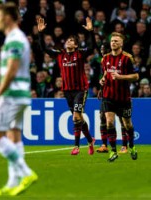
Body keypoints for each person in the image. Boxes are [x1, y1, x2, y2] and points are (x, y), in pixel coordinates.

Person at [0, 2, 38, 196]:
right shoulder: (16, 38)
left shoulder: (15, 39)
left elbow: (12, 70)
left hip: (12, 94)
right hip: (21, 93)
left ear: (8, 17)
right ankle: (12, 183)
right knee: (13, 136)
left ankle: (26, 172)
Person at [37, 17, 95, 155]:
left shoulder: (79, 53)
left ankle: (76, 146)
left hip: (80, 89)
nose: (68, 42)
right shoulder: (60, 54)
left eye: (71, 41)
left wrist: (91, 32)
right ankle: (90, 140)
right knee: (79, 117)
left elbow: (92, 47)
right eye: (67, 40)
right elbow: (44, 49)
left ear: (75, 45)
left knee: (76, 117)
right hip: (67, 91)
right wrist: (40, 33)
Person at [100, 32, 139, 162]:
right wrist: (102, 81)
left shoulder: (127, 58)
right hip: (108, 96)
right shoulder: (105, 58)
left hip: (123, 98)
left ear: (121, 43)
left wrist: (121, 77)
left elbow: (135, 76)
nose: (113, 43)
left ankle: (132, 146)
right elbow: (105, 74)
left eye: (116, 41)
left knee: (127, 124)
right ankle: (113, 151)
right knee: (109, 121)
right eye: (112, 41)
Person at [97, 44, 129, 154]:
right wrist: (101, 89)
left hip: (120, 94)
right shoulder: (104, 61)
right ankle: (104, 145)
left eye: (103, 49)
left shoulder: (122, 59)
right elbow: (104, 77)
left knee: (121, 120)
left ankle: (124, 145)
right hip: (106, 94)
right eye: (101, 49)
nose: (102, 51)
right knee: (102, 117)